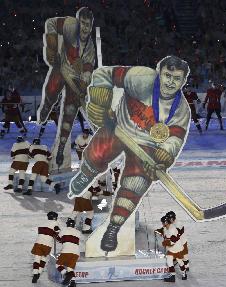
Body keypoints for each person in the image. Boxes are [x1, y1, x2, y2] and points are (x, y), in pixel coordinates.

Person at [69, 56, 191, 253]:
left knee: (136, 184)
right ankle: (86, 173)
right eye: (167, 75)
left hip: (146, 147)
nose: (170, 82)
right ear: (159, 73)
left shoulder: (181, 111)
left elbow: (174, 141)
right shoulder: (141, 78)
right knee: (98, 151)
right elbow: (104, 74)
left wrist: (162, 159)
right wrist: (100, 101)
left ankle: (113, 227)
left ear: (183, 81)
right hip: (119, 126)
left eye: (176, 78)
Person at [37, 7, 96, 167]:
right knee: (51, 89)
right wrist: (51, 46)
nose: (85, 28)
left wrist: (82, 86)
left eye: (88, 25)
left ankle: (62, 146)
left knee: (70, 112)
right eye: (83, 23)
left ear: (91, 26)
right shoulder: (70, 25)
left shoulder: (90, 49)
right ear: (78, 22)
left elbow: (87, 74)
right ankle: (46, 106)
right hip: (61, 68)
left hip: (75, 82)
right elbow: (50, 23)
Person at [31, 211, 60, 283]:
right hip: (47, 244)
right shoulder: (55, 223)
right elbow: (57, 232)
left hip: (38, 243)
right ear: (54, 218)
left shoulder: (42, 223)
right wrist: (60, 239)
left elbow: (41, 231)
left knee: (37, 259)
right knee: (43, 259)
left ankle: (35, 274)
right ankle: (39, 273)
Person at [157, 215, 188, 282]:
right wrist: (159, 232)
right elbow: (164, 232)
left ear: (166, 223)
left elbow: (173, 241)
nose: (162, 224)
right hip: (170, 250)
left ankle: (184, 273)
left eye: (162, 223)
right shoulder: (166, 228)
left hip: (177, 248)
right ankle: (172, 276)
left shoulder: (173, 230)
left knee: (180, 262)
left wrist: (165, 243)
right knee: (169, 261)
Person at [56, 218, 80, 286]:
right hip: (76, 253)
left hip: (66, 251)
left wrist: (57, 231)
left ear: (67, 224)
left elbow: (58, 239)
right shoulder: (78, 232)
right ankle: (73, 283)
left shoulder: (64, 230)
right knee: (70, 268)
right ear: (74, 225)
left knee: (58, 265)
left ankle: (66, 274)